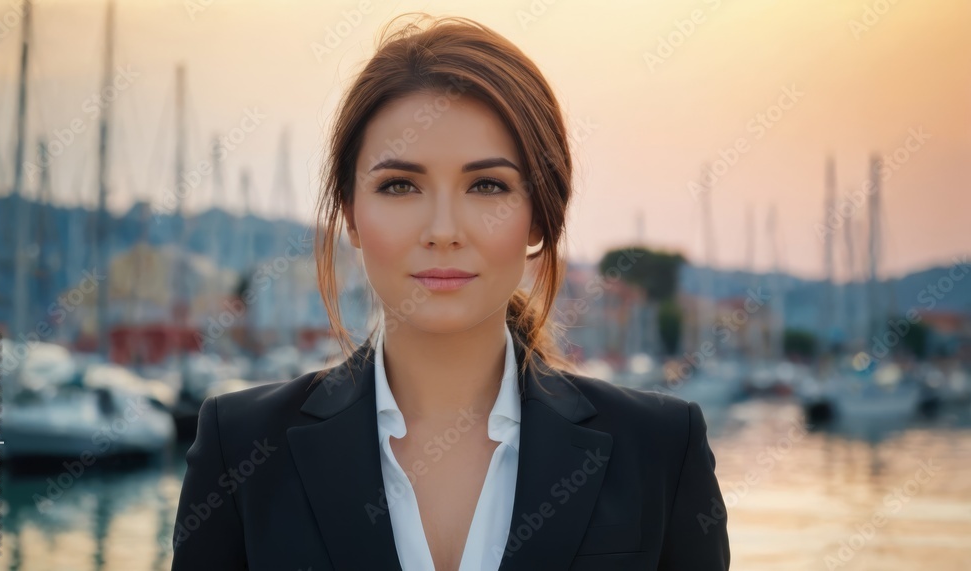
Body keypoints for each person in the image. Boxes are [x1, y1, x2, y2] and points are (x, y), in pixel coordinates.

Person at [170, 13, 730, 571]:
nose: (443, 230)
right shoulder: (239, 449)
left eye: (487, 185)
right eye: (400, 185)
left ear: (540, 217)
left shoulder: (660, 448)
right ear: (352, 215)